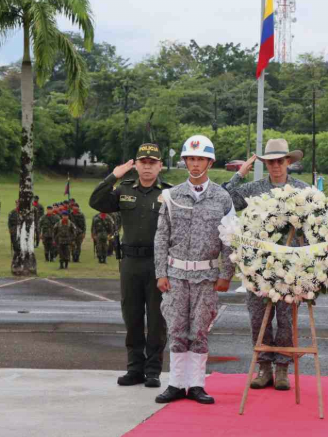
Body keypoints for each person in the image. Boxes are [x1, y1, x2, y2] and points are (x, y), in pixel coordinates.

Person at [221, 138, 310, 391]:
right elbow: (223, 199)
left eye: (280, 161)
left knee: (285, 320)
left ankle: (282, 368)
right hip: (257, 268)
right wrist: (240, 174)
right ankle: (264, 367)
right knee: (258, 319)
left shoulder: (303, 190)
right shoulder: (254, 188)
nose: (275, 167)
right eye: (270, 162)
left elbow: (315, 225)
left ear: (288, 162)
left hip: (289, 268)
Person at [153, 135, 235, 405]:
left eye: (201, 159)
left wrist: (226, 274)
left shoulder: (222, 198)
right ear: (185, 161)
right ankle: (176, 383)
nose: (195, 164)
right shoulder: (172, 196)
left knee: (199, 330)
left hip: (207, 277)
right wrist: (160, 273)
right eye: (191, 159)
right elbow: (161, 237)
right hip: (176, 274)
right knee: (176, 328)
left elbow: (230, 239)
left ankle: (197, 384)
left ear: (210, 162)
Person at [90, 143, 171, 388]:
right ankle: (134, 369)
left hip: (158, 264)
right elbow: (96, 201)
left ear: (160, 166)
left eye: (152, 163)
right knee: (132, 317)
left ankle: (153, 371)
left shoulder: (169, 193)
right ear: (135, 165)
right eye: (143, 162)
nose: (147, 167)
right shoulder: (123, 189)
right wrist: (114, 175)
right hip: (130, 263)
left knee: (157, 320)